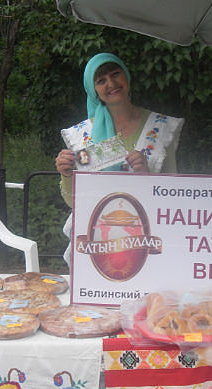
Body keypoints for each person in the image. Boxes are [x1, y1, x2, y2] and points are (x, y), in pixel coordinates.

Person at [55, 52, 184, 266]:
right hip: (96, 240)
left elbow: (173, 192)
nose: (111, 84)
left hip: (147, 238)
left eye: (115, 74)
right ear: (94, 90)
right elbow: (73, 201)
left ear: (126, 76)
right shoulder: (82, 134)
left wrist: (147, 175)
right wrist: (67, 174)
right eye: (101, 80)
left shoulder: (160, 127)